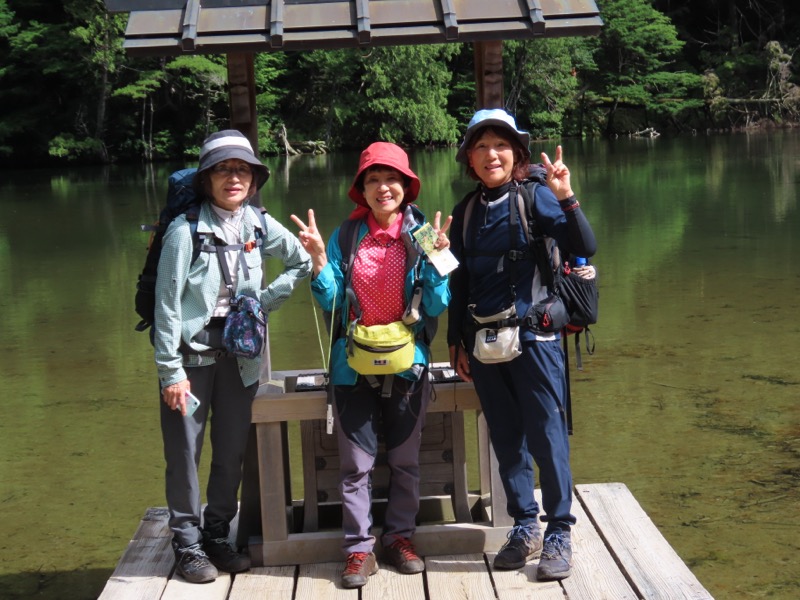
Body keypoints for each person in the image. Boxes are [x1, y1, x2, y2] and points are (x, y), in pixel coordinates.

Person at [291, 142, 451, 589]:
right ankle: (359, 550)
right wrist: (320, 261)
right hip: (351, 365)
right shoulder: (347, 234)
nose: (384, 187)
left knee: (404, 462)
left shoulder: (422, 233)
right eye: (374, 179)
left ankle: (400, 538)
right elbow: (332, 301)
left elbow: (438, 304)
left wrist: (439, 263)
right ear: (362, 188)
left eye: (392, 178)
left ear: (406, 186)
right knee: (355, 466)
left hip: (407, 366)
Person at [154, 130, 312, 584]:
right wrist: (170, 372)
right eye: (223, 169)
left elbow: (300, 261)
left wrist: (265, 300)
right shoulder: (185, 231)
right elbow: (166, 306)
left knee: (230, 451)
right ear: (207, 180)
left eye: (242, 169)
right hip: (190, 359)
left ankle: (218, 534)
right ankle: (186, 542)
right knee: (185, 452)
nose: (234, 177)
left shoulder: (258, 224)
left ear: (253, 178)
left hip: (240, 359)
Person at [446, 109, 596, 581]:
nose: (492, 154)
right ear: (470, 158)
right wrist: (455, 341)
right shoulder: (466, 211)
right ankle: (525, 525)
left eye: (501, 145)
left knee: (546, 436)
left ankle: (559, 531)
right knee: (506, 438)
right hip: (485, 343)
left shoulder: (536, 197)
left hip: (536, 339)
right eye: (482, 146)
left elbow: (585, 245)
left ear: (517, 155)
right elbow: (460, 280)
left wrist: (567, 197)